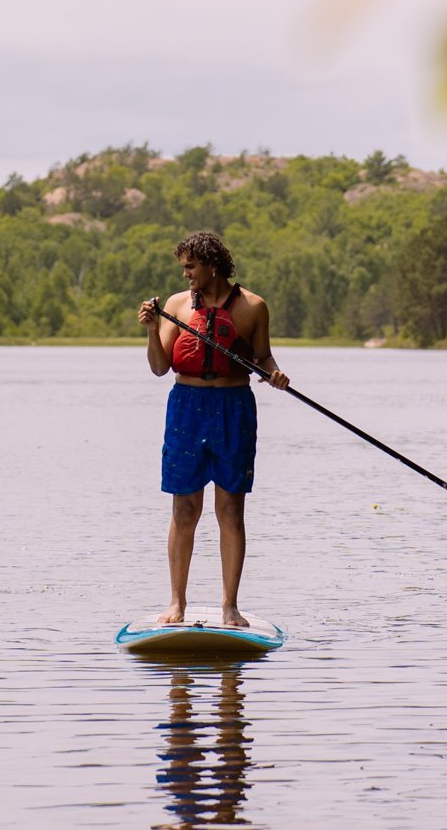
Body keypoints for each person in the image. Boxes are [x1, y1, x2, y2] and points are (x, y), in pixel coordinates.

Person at [137, 230, 288, 628]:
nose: (185, 274)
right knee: (184, 509)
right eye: (183, 267)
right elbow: (158, 367)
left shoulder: (253, 306)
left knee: (230, 510)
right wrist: (153, 330)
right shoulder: (176, 306)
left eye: (191, 266)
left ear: (212, 266)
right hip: (186, 410)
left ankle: (230, 607)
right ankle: (176, 603)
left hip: (233, 408)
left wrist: (274, 374)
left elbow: (264, 356)